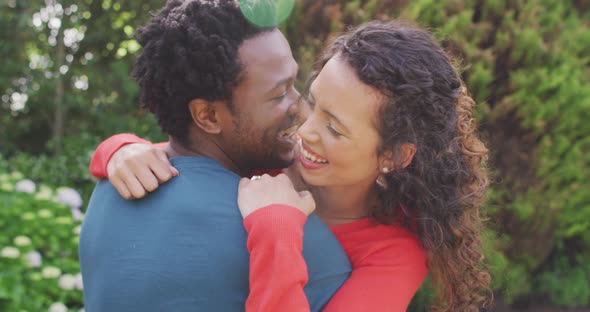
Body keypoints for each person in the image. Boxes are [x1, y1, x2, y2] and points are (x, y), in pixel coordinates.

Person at [92, 21, 492, 311]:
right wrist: (120, 149)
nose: (304, 128)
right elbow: (179, 150)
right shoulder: (264, 164)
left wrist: (275, 231)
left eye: (334, 128)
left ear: (394, 156)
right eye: (315, 103)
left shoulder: (394, 254)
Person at [78, 1, 351, 311]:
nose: (300, 106)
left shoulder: (109, 192)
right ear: (208, 115)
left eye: (294, 84)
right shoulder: (303, 243)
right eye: (279, 93)